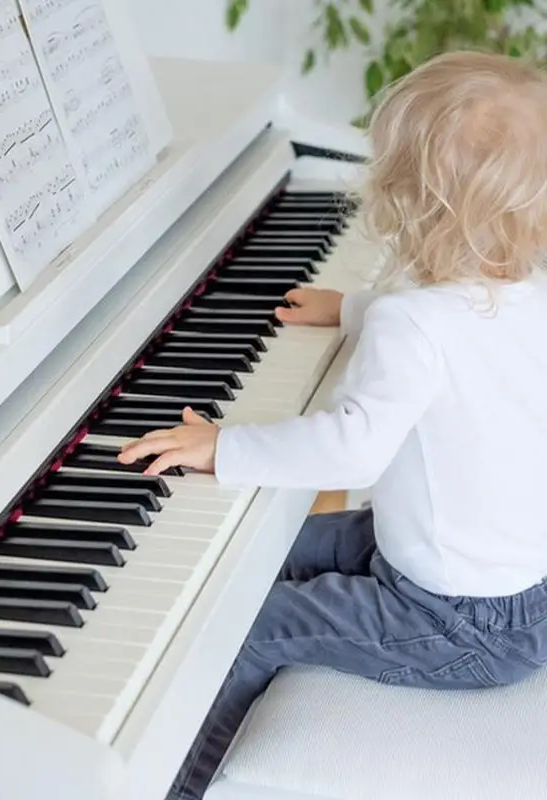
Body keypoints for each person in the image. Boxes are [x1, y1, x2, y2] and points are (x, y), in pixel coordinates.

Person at [117, 50, 547, 800]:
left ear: (408, 203)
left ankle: (177, 788)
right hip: (510, 591)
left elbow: (350, 449)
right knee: (276, 551)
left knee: (244, 628)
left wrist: (226, 446)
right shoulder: (524, 290)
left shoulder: (414, 325)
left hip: (453, 626)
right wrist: (351, 309)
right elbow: (454, 343)